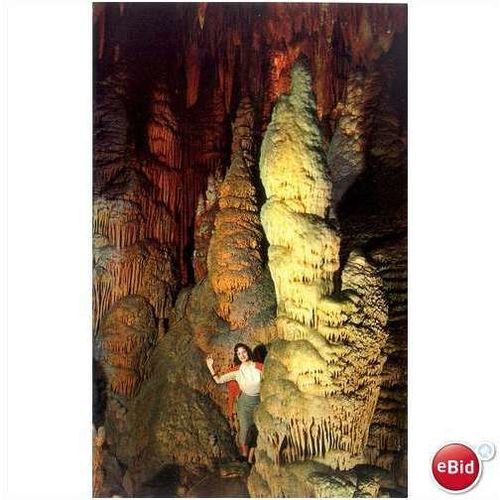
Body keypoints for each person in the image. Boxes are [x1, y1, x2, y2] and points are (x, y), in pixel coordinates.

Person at [206, 343, 263, 461]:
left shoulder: (259, 366)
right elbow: (219, 380)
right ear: (237, 356)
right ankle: (244, 456)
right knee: (246, 429)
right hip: (244, 404)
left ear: (248, 352)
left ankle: (250, 458)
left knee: (258, 429)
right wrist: (210, 366)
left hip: (259, 402)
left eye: (244, 352)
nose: (242, 355)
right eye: (239, 353)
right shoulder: (236, 371)